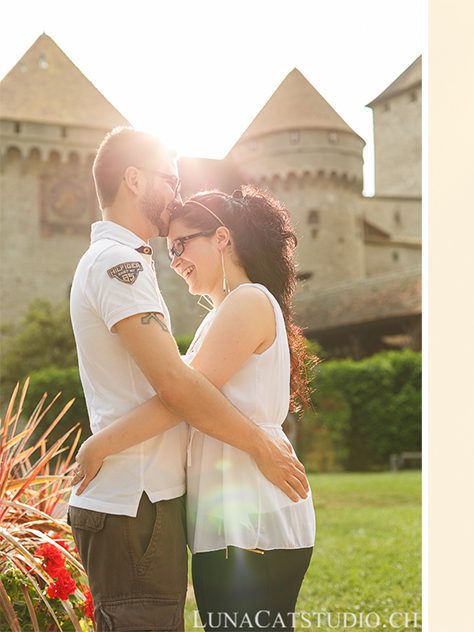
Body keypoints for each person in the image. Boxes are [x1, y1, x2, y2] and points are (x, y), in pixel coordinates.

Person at [67, 127, 307, 631]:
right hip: (140, 500)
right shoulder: (119, 265)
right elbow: (178, 388)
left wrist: (102, 443)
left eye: (184, 244)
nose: (176, 191)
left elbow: (179, 387)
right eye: (168, 179)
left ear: (222, 239)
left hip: (175, 506)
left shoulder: (140, 268)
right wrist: (259, 445)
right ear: (133, 179)